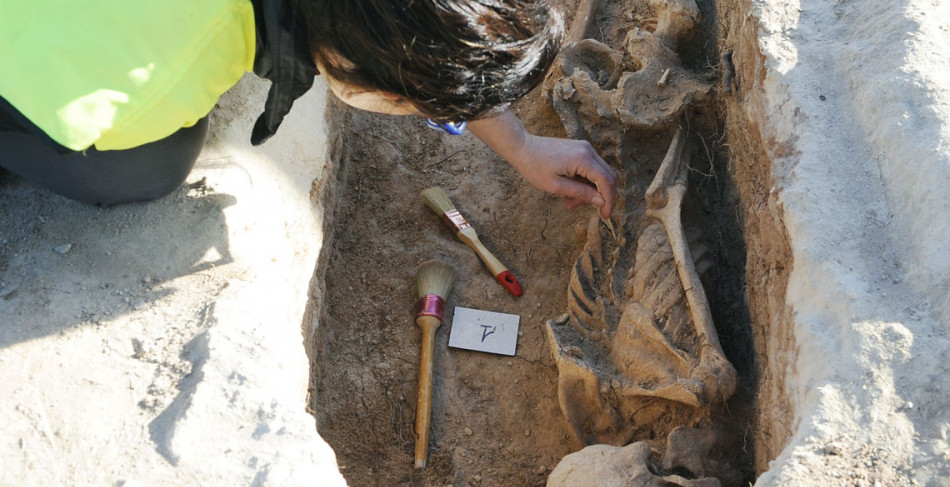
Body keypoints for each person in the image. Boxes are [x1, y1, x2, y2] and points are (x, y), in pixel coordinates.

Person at [0, 0, 616, 217]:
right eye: (413, 107)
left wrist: (521, 145)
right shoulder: (144, 95)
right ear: (371, 83)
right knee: (148, 166)